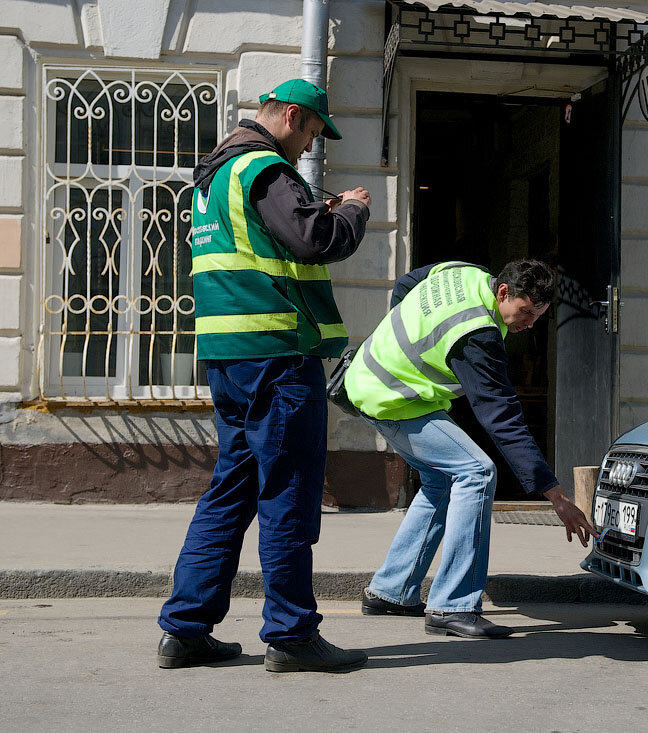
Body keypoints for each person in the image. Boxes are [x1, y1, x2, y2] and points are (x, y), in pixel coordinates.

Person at [156, 79, 372, 673]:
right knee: (289, 493)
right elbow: (314, 239)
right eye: (310, 133)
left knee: (232, 489)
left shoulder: (213, 177)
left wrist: (310, 208)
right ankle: (292, 634)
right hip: (277, 359)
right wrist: (350, 211)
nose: (307, 148)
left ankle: (186, 628)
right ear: (293, 118)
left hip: (229, 358)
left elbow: (263, 243)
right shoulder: (266, 169)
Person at [342, 259, 598, 639]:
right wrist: (555, 495)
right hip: (390, 398)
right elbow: (502, 419)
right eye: (526, 312)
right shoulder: (477, 334)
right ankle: (454, 605)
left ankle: (391, 591)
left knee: (441, 480)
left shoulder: (462, 271)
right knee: (476, 471)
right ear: (504, 292)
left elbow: (407, 282)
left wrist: (394, 337)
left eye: (538, 316)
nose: (529, 324)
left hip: (374, 382)